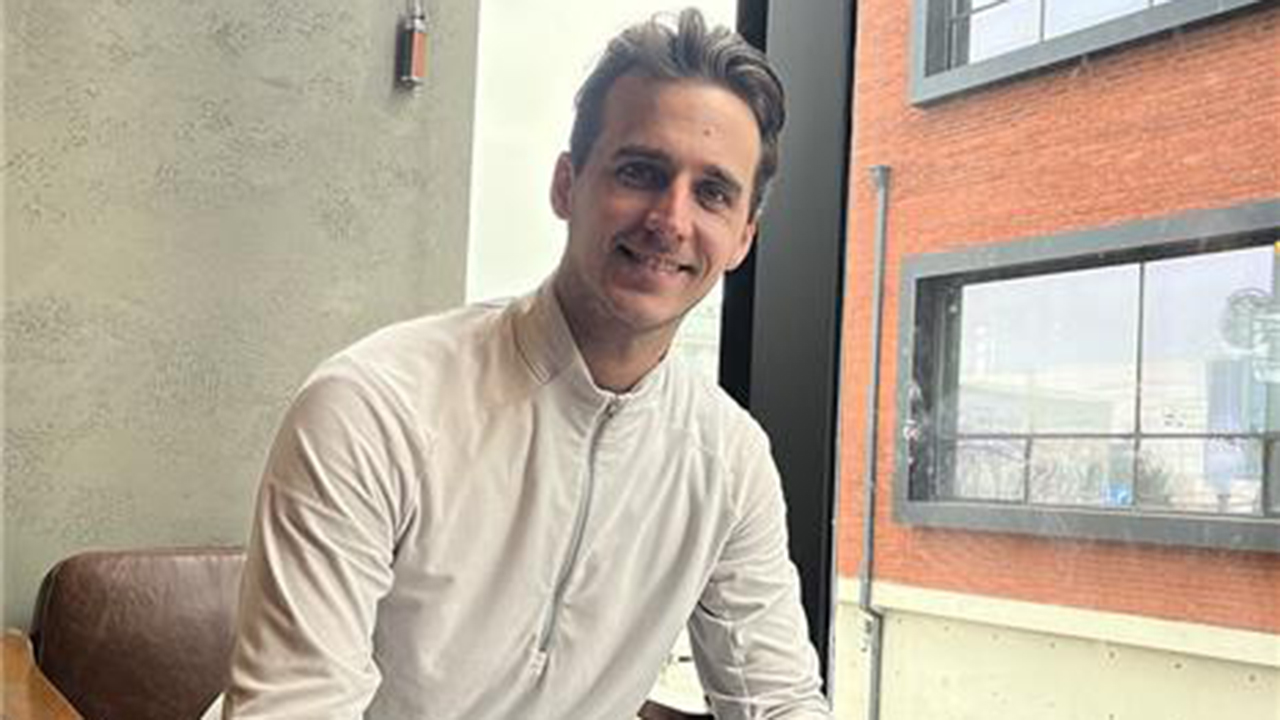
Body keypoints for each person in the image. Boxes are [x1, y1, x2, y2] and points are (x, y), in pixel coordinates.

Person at [223, 8, 831, 719]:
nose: (671, 220)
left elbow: (780, 701)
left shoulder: (728, 460)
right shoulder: (373, 407)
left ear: (742, 239)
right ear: (566, 186)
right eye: (640, 171)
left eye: (713, 193)